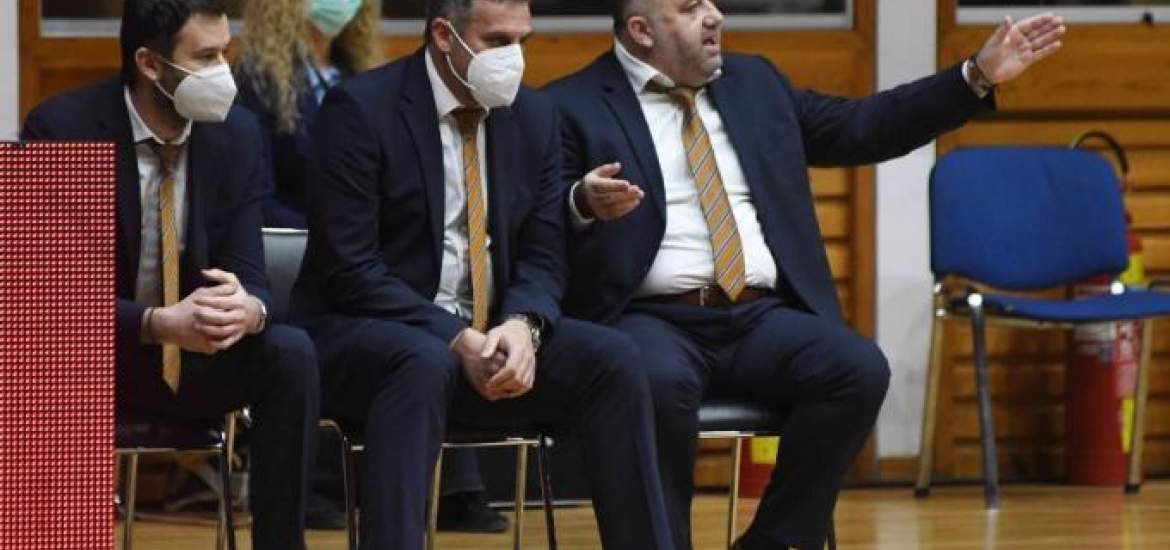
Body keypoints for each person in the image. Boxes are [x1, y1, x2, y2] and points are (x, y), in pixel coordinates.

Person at [544, 1, 1065, 548]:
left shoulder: (756, 84)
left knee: (856, 369)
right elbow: (535, 222)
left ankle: (772, 543)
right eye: (691, 8)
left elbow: (866, 126)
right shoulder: (572, 105)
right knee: (648, 381)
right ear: (641, 30)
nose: (715, 16)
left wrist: (976, 75)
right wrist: (580, 203)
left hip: (756, 315)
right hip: (649, 317)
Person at [290, 0, 674, 547]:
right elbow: (350, 269)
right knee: (421, 361)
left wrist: (523, 326)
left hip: (487, 335)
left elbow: (544, 255)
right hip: (370, 336)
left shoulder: (534, 115)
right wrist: (456, 338)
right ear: (444, 35)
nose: (513, 57)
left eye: (522, 40)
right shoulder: (361, 108)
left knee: (613, 359)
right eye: (497, 41)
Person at [21, 1, 320, 548]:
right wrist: (158, 323)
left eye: (225, 53)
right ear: (150, 64)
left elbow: (251, 274)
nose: (223, 72)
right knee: (45, 357)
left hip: (199, 356)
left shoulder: (235, 134)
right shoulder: (61, 128)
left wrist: (247, 310)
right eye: (205, 57)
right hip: (98, 359)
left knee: (290, 352)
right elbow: (51, 301)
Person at [235, 0, 505, 532]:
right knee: (419, 343)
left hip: (373, 248)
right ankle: (334, 486)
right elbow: (258, 193)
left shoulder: (359, 71)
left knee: (443, 316)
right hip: (309, 244)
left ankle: (455, 488)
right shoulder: (258, 81)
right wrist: (337, 221)